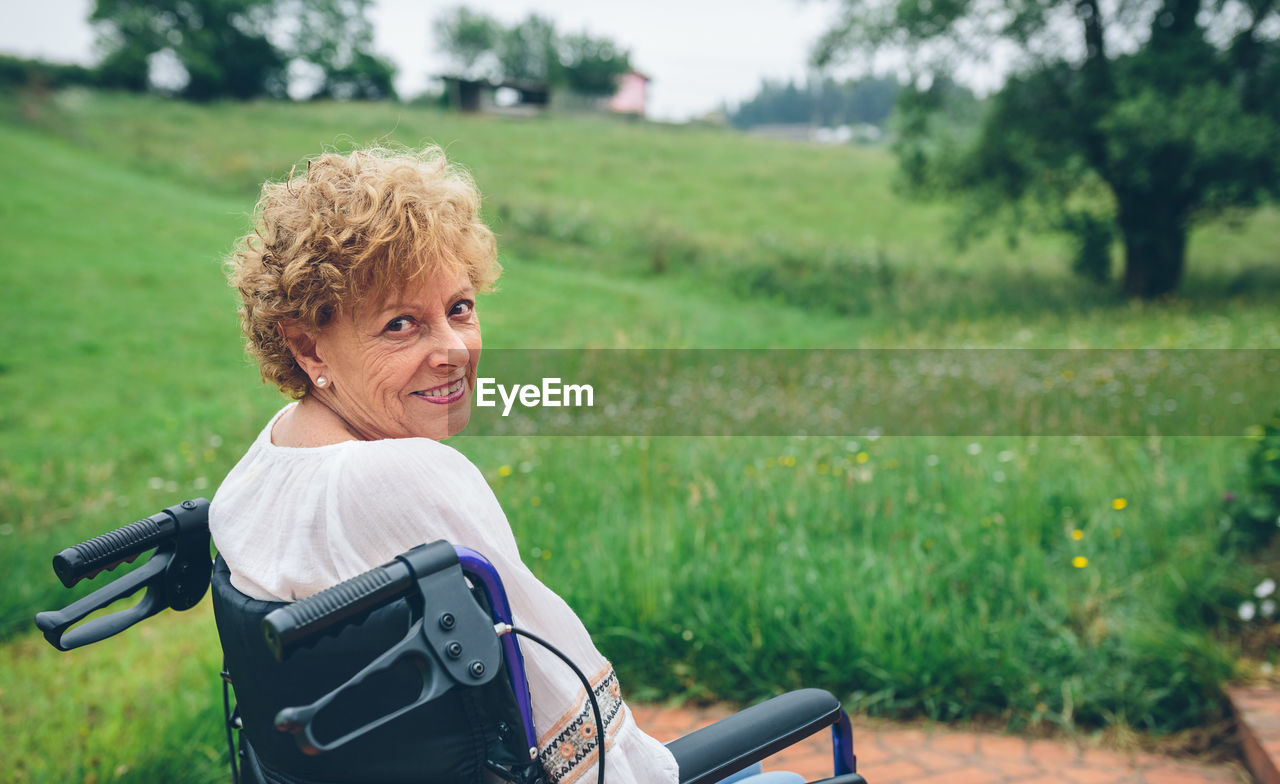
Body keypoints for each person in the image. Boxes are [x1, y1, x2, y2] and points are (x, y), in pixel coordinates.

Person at [211, 146, 804, 784]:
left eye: (460, 309)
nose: (454, 350)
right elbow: (567, 713)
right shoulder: (401, 478)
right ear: (307, 345)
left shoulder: (256, 472)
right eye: (402, 324)